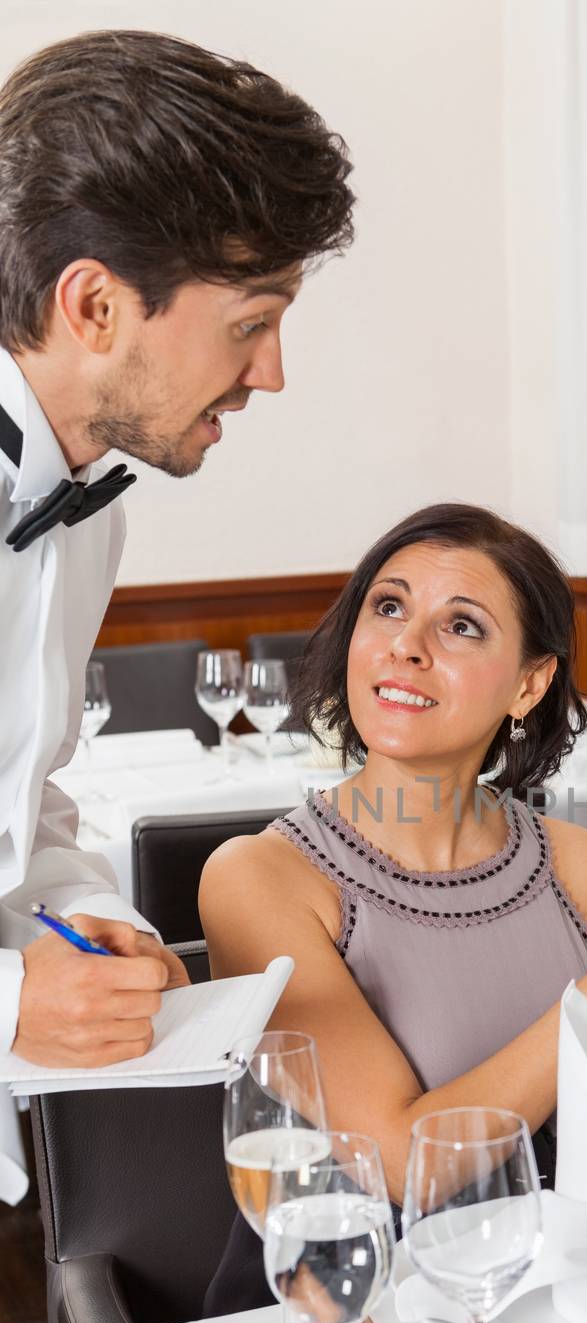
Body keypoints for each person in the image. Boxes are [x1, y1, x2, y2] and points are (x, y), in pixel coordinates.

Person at [200, 503, 587, 1311]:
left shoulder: (577, 864)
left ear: (529, 683)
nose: (405, 644)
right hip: (348, 1314)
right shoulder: (262, 876)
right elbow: (396, 1162)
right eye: (387, 607)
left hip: (534, 1289)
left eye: (460, 626)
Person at [0, 30, 354, 1198]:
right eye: (250, 322)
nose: (272, 373)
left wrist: (87, 915)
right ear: (94, 305)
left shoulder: (87, 506)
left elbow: (24, 789)